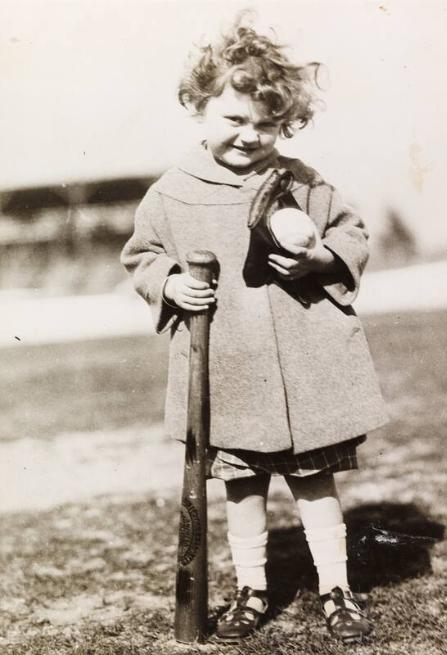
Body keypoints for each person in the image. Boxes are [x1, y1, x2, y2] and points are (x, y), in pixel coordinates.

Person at [121, 14, 388, 644]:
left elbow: (351, 234)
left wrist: (322, 257)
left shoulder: (304, 182)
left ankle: (336, 589)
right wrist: (170, 284)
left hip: (303, 362)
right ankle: (251, 589)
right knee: (241, 486)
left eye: (266, 124)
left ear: (286, 123)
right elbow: (142, 255)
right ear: (200, 109)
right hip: (227, 367)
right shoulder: (172, 192)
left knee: (313, 479)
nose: (249, 135)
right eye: (234, 119)